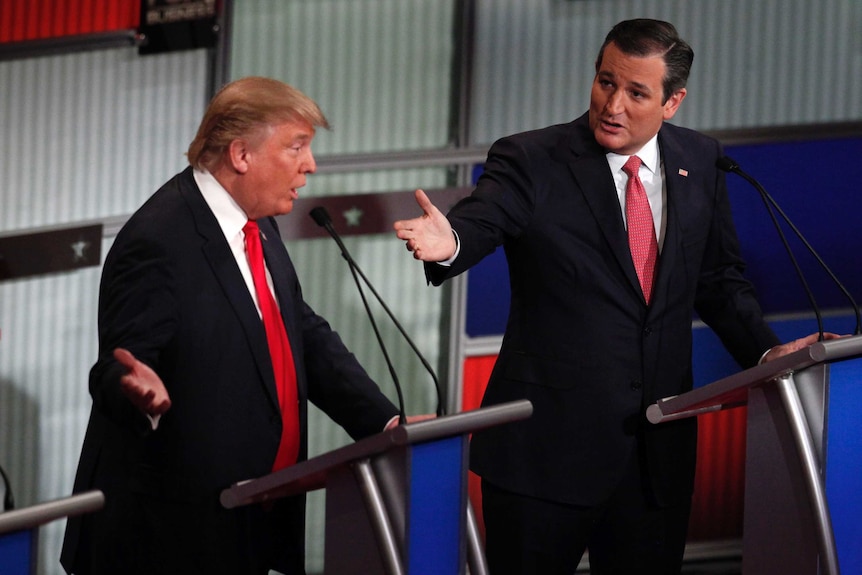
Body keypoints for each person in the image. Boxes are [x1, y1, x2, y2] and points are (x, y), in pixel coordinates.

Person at [394, 18, 836, 574]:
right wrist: (451, 242)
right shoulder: (531, 158)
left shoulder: (701, 161)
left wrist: (769, 355)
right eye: (606, 82)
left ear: (672, 102)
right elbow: (485, 220)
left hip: (655, 457)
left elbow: (718, 281)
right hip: (545, 456)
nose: (613, 105)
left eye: (636, 93)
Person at [61, 77, 409, 575]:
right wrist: (137, 393)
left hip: (253, 513)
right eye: (297, 147)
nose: (310, 165)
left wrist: (384, 423)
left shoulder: (255, 221)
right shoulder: (159, 240)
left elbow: (299, 333)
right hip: (169, 538)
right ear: (241, 154)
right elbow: (118, 367)